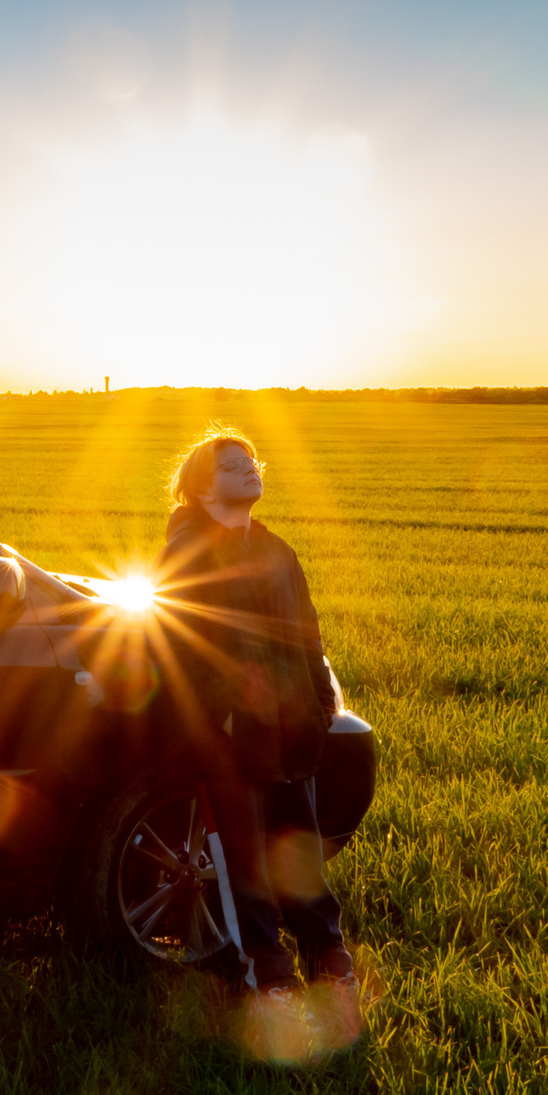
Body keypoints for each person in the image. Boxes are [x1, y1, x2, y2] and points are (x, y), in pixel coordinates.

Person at [159, 429, 360, 1052]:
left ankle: (334, 970)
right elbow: (176, 643)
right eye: (231, 464)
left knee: (299, 863)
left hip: (293, 735)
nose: (248, 469)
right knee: (247, 874)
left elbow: (308, 637)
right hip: (231, 744)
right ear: (201, 485)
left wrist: (320, 706)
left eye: (251, 461)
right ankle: (270, 988)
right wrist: (222, 717)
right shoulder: (188, 552)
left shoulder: (277, 551)